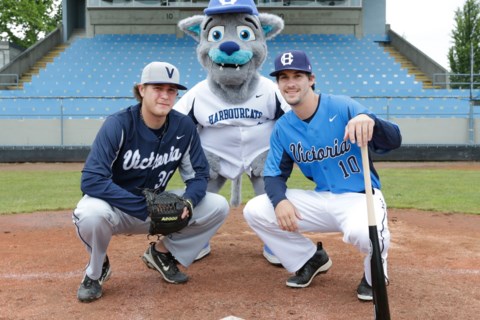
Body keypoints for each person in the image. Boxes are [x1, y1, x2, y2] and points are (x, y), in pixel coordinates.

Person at [243, 50, 402, 301]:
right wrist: (280, 201)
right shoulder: (283, 127)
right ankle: (309, 258)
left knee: (368, 234)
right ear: (278, 84)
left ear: (311, 79)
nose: (291, 83)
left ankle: (375, 276)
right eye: (284, 77)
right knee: (256, 208)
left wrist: (369, 119)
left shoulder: (342, 106)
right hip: (321, 200)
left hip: (360, 198)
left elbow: (394, 140)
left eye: (298, 75)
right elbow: (273, 175)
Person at [73, 61, 229, 303]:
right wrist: (144, 206)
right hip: (114, 207)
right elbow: (92, 180)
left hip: (156, 208)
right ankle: (96, 271)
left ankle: (163, 253)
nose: (165, 96)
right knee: (90, 214)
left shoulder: (183, 126)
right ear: (141, 90)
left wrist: (187, 201)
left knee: (217, 205)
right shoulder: (119, 124)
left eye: (171, 90)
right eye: (158, 88)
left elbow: (199, 176)